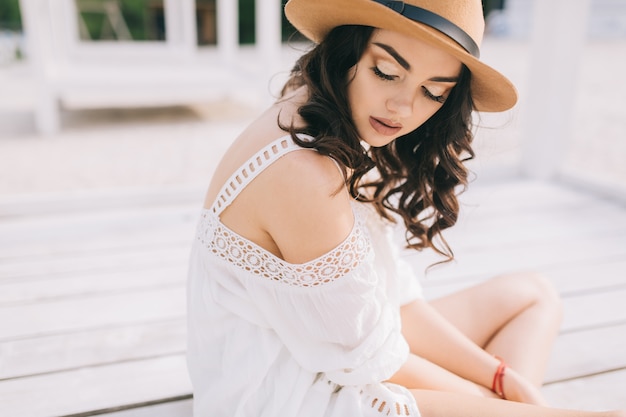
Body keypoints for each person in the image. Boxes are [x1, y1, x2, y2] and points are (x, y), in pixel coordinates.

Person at [185, 0, 626, 416]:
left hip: (338, 350)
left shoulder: (329, 116)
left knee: (533, 295)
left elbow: (392, 302)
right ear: (349, 47)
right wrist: (503, 405)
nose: (403, 107)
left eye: (434, 93)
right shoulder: (305, 170)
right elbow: (372, 362)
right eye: (387, 71)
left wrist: (499, 376)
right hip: (286, 394)